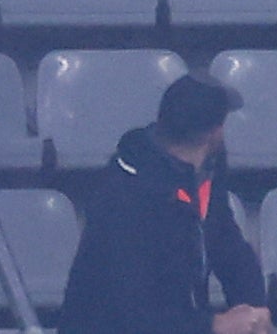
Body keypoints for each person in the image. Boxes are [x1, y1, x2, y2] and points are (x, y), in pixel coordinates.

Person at [58, 73, 266, 334]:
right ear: (215, 133)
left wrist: (254, 308)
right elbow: (131, 313)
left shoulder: (204, 174)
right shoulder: (122, 198)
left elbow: (230, 248)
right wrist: (214, 325)